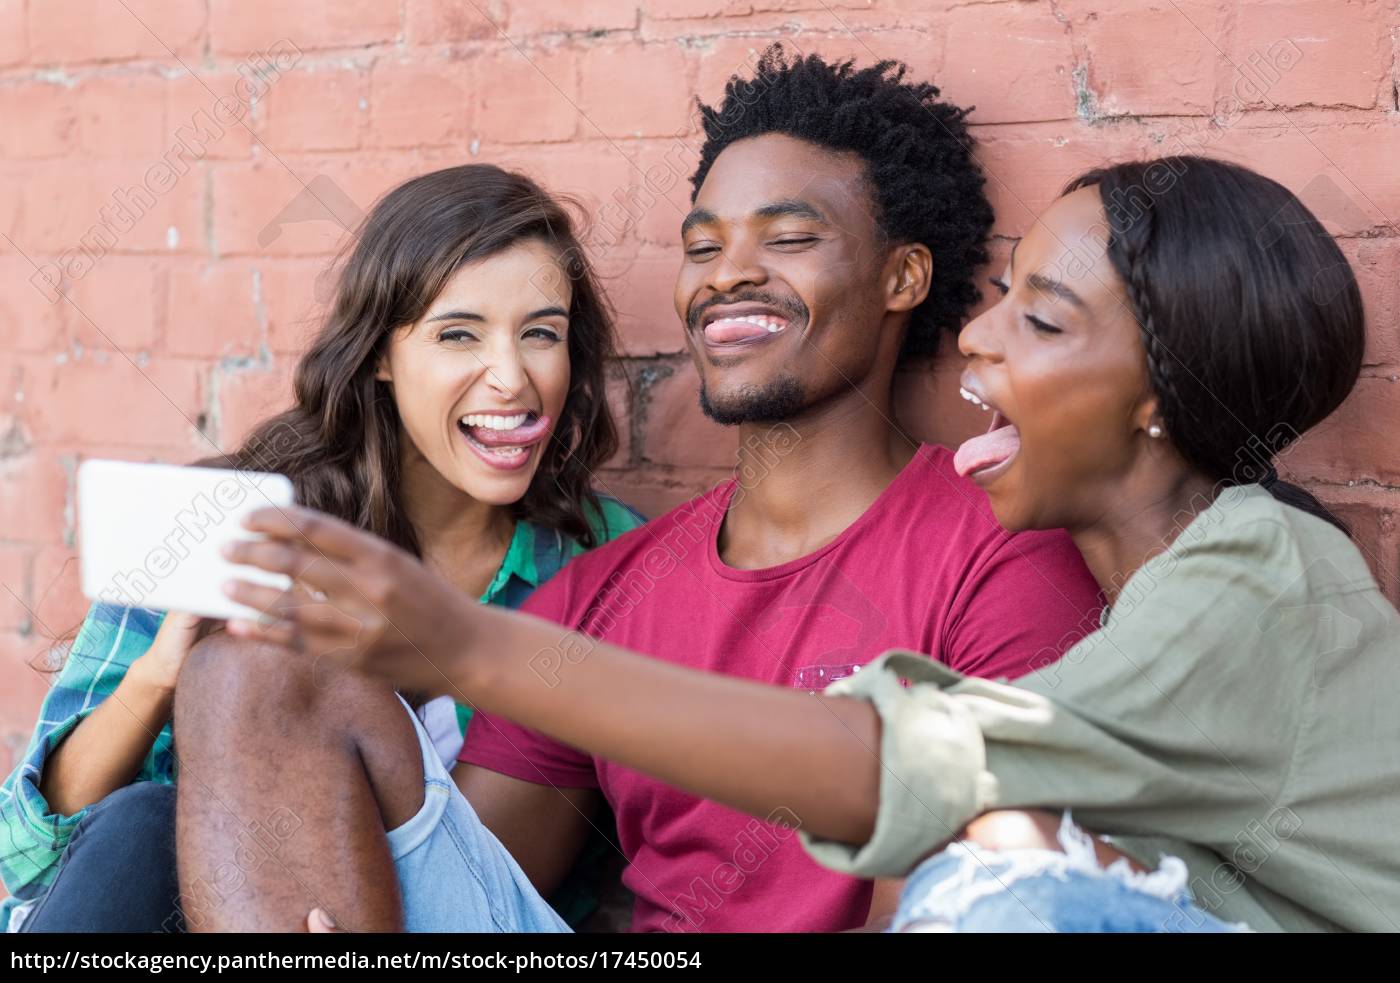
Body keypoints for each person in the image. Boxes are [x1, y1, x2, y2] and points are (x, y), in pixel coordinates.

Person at [231, 155, 1400, 934]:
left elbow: (898, 775)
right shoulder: (1161, 596)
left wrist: (466, 646)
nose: (979, 339)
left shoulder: (1254, 573)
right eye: (998, 295)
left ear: (1158, 392)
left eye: (1039, 319)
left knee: (999, 857)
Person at [213, 47, 1103, 933]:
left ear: (902, 276)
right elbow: (475, 896)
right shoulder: (601, 592)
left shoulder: (996, 553)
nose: (727, 274)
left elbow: (975, 896)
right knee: (246, 667)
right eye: (703, 246)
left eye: (788, 238)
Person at [0, 164, 643, 932]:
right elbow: (28, 857)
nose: (510, 377)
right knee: (141, 821)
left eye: (541, 333)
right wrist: (161, 672)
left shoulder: (607, 560)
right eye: (457, 335)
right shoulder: (239, 520)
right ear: (380, 355)